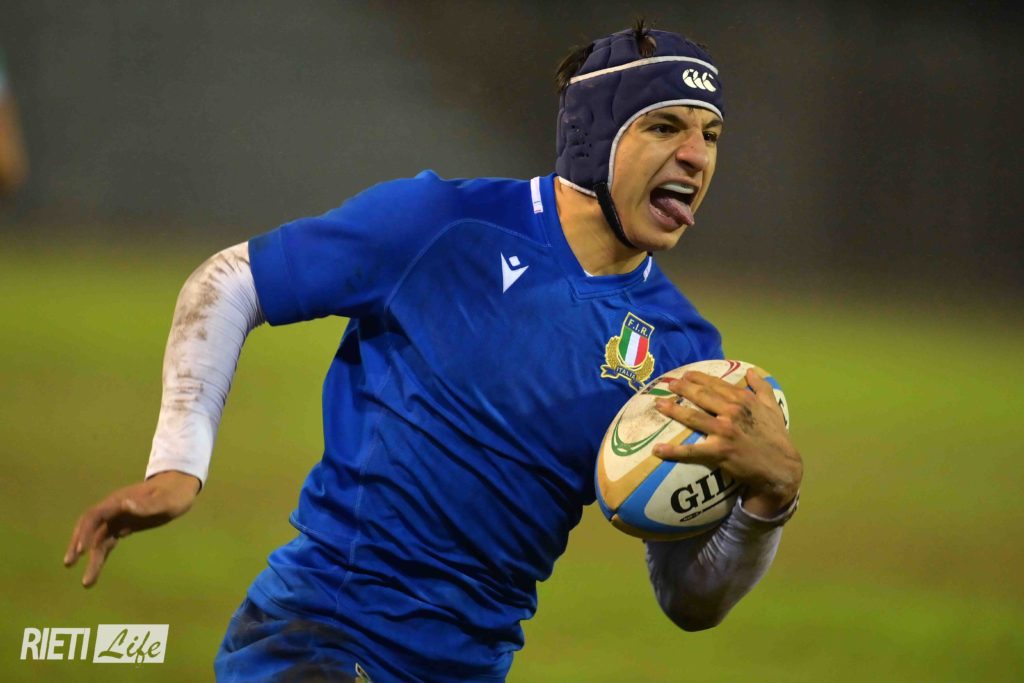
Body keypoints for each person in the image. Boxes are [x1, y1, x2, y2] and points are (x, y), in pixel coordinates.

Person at [64, 22, 803, 682]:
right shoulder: (443, 224)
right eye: (665, 126)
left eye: (711, 135)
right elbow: (229, 283)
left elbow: (688, 598)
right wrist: (177, 464)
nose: (695, 156)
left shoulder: (684, 352)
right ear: (595, 134)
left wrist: (770, 500)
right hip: (321, 634)